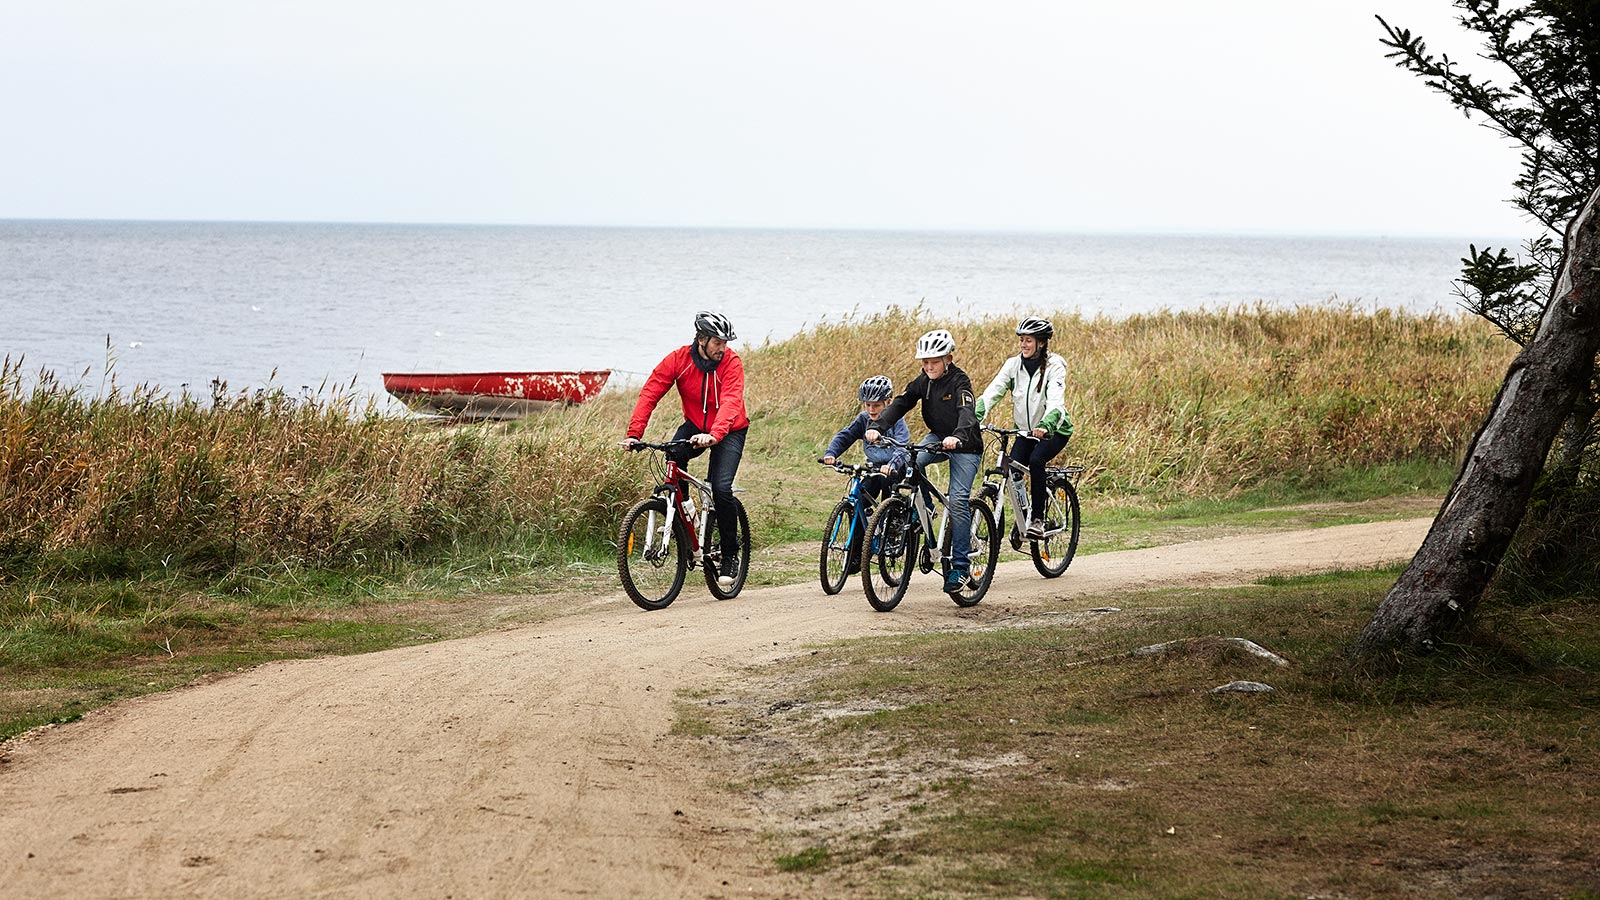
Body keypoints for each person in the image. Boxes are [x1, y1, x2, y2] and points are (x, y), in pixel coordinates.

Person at [623, 311, 749, 585]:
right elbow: (650, 393)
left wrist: (715, 435)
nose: (722, 348)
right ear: (701, 339)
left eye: (725, 342)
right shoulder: (678, 360)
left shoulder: (731, 363)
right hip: (695, 424)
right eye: (717, 342)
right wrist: (634, 434)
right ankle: (685, 522)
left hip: (730, 429)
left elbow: (731, 401)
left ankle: (729, 554)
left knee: (721, 487)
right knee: (673, 457)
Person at [865, 329, 983, 593]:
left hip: (965, 445)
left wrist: (958, 436)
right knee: (911, 461)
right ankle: (926, 509)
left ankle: (961, 568)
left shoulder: (960, 382)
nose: (929, 366)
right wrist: (879, 426)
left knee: (958, 500)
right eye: (925, 362)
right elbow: (902, 402)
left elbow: (967, 413)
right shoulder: (924, 381)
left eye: (935, 361)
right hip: (937, 437)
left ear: (948, 359)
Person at [974, 316, 1074, 539]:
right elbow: (992, 392)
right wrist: (973, 417)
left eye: (1028, 340)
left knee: (1036, 461)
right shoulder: (1013, 365)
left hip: (1054, 430)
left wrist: (1046, 425)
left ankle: (1037, 519)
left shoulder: (1054, 366)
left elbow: (1056, 402)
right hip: (1024, 431)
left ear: (1041, 343)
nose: (1023, 345)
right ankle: (1024, 514)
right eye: (1021, 340)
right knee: (1013, 468)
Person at [822, 375, 911, 571]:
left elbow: (903, 447)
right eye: (868, 405)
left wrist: (892, 464)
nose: (871, 410)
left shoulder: (895, 420)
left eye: (877, 405)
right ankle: (856, 554)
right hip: (874, 468)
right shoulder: (863, 420)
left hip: (895, 467)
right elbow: (845, 436)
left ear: (887, 402)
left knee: (889, 492)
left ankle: (893, 522)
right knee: (858, 502)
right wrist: (831, 453)